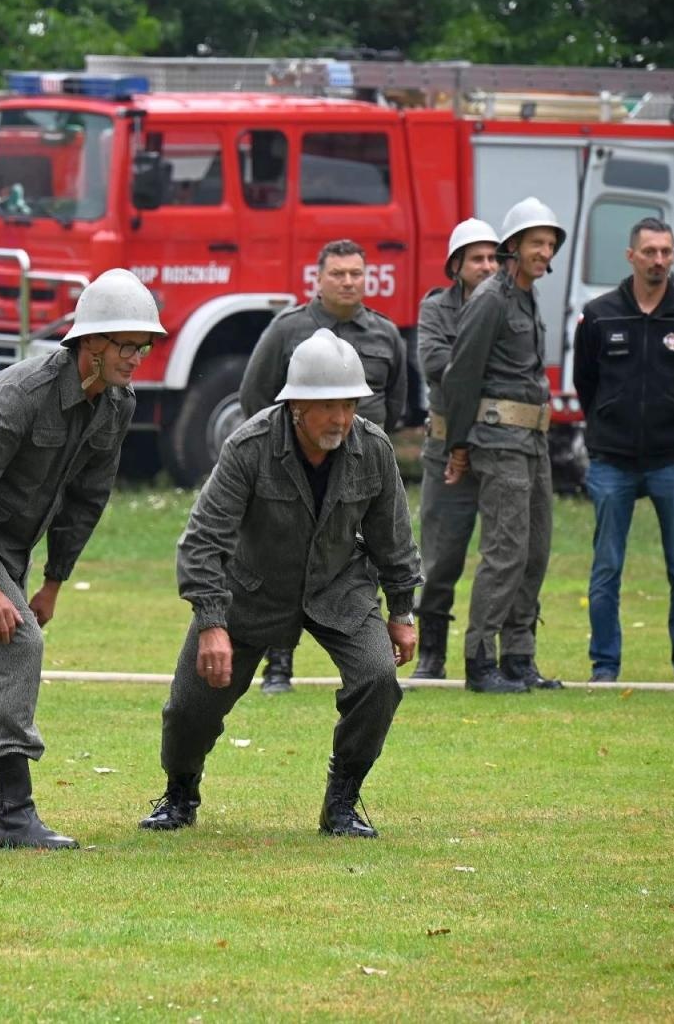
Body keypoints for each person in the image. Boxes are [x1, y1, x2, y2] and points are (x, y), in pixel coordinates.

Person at [0, 269, 165, 850]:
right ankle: (13, 813)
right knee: (16, 644)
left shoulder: (116, 403)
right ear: (91, 343)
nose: (137, 357)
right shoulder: (17, 393)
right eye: (127, 344)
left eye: (143, 346)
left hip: (12, 538)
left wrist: (53, 580)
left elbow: (89, 496)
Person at [140, 330, 420, 835]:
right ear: (296, 406)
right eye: (327, 407)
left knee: (379, 679)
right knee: (189, 707)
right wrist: (210, 623)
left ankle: (342, 803)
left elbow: (393, 536)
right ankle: (180, 793)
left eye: (349, 406)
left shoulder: (373, 449)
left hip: (339, 585)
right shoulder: (248, 446)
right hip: (251, 588)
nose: (340, 419)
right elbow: (203, 540)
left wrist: (402, 612)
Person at [239, 239, 410, 694]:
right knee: (287, 559)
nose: (349, 281)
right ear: (319, 278)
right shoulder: (287, 329)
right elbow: (254, 395)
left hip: (364, 474)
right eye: (338, 273)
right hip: (299, 472)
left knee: (368, 561)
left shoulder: (386, 334)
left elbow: (398, 402)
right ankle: (278, 666)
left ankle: (367, 665)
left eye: (356, 273)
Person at [572, 218, 674, 683]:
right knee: (606, 569)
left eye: (666, 252)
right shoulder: (598, 315)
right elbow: (585, 386)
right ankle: (605, 666)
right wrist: (607, 423)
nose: (658, 260)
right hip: (612, 460)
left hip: (672, 461)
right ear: (631, 255)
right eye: (649, 251)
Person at [442, 197, 565, 694]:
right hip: (499, 440)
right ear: (512, 247)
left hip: (532, 440)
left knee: (535, 551)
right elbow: (460, 374)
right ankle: (480, 660)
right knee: (505, 550)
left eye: (550, 242)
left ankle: (519, 657)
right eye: (537, 242)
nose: (545, 250)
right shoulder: (491, 298)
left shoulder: (527, 295)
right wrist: (458, 445)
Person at [412, 218, 499, 680]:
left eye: (492, 258)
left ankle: (495, 654)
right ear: (456, 266)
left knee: (505, 555)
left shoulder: (512, 305)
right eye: (477, 259)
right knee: (440, 556)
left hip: (499, 446)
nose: (487, 267)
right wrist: (485, 367)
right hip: (446, 447)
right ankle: (431, 653)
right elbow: (435, 365)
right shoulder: (435, 309)